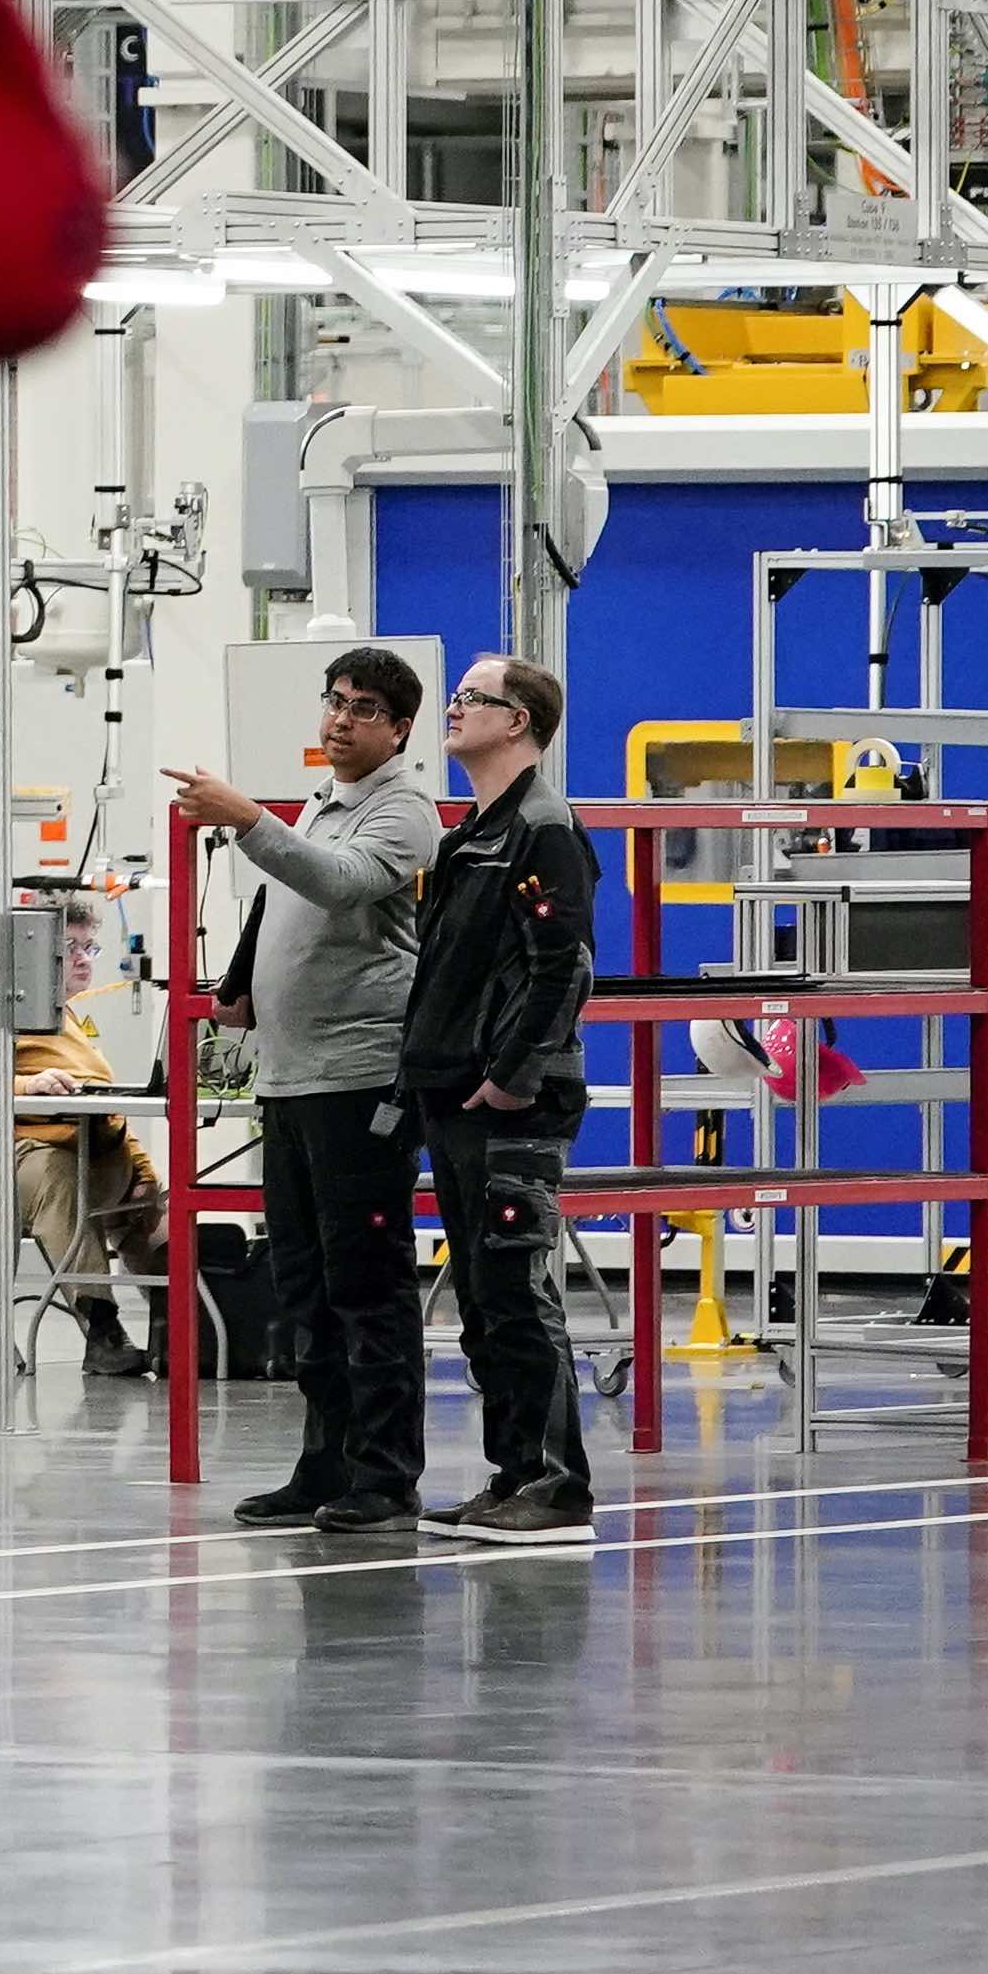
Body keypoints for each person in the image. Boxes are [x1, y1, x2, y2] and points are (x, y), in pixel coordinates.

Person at [175, 647, 438, 1532]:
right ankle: (323, 1461)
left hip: (357, 1079)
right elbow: (278, 905)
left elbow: (337, 884)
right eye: (333, 701)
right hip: (290, 1079)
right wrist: (242, 982)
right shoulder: (327, 802)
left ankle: (385, 1475)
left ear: (399, 728)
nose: (338, 719)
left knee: (365, 1281)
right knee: (305, 1283)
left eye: (362, 708)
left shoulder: (402, 808)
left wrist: (247, 817)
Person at [406, 653, 600, 1545]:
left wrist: (513, 1072)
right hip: (457, 1094)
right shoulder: (470, 832)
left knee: (519, 1294)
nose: (452, 708)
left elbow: (565, 963)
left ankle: (557, 1487)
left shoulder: (541, 828)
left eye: (470, 698)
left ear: (516, 720)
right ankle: (512, 1473)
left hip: (512, 1101)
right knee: (484, 1300)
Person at [0, 893, 162, 1375]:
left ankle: (180, 1329)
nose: (82, 959)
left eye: (89, 948)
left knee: (151, 1201)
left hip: (64, 1153)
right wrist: (26, 1084)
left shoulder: (62, 1016)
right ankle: (102, 1328)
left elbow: (104, 1108)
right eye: (69, 946)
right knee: (57, 1175)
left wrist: (142, 1170)